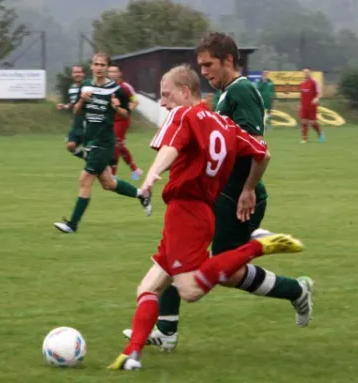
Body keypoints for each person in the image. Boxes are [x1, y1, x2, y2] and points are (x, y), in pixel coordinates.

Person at [123, 32, 314, 351]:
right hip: (215, 192)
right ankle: (166, 329)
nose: (205, 71)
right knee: (178, 251)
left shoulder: (243, 91)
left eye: (208, 64)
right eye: (200, 65)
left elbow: (256, 149)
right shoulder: (224, 96)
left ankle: (294, 288)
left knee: (224, 270)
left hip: (234, 195)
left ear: (228, 60)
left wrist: (248, 189)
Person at [54, 53, 152, 233]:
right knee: (108, 184)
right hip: (91, 141)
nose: (99, 68)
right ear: (91, 67)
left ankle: (72, 225)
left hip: (105, 142)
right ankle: (142, 194)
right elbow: (76, 112)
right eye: (96, 64)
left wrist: (116, 107)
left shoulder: (116, 89)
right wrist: (82, 100)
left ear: (107, 67)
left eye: (102, 65)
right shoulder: (85, 86)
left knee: (85, 179)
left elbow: (125, 114)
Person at [107, 64, 143, 180]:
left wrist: (127, 110)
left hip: (121, 120)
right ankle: (135, 170)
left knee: (115, 144)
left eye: (115, 72)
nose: (112, 74)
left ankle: (113, 173)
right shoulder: (106, 86)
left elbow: (135, 101)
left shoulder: (125, 87)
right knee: (120, 146)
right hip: (110, 120)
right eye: (110, 72)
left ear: (119, 73)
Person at [57, 65, 86, 158]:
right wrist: (65, 106)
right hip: (77, 121)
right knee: (70, 145)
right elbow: (74, 104)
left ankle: (94, 164)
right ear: (72, 75)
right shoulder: (72, 89)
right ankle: (87, 159)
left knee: (92, 148)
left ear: (83, 74)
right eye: (75, 72)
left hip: (88, 121)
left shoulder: (89, 86)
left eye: (79, 72)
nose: (77, 74)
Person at [299, 66, 325, 143]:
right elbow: (302, 95)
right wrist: (300, 104)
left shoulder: (314, 82)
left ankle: (320, 134)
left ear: (310, 73)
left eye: (307, 72)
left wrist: (317, 98)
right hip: (304, 106)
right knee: (303, 121)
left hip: (312, 106)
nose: (306, 74)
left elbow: (319, 93)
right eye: (305, 72)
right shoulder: (302, 83)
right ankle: (304, 139)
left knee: (313, 122)